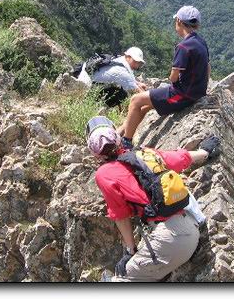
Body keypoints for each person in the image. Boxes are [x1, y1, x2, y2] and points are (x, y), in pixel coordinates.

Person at [86, 116, 220, 282]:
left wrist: (130, 251)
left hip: (170, 240)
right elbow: (180, 158)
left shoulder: (104, 174)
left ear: (96, 155)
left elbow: (120, 215)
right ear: (118, 140)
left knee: (120, 279)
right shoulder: (144, 154)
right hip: (190, 226)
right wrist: (205, 152)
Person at [117, 6, 210, 149]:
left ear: (179, 21)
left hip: (182, 96)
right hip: (196, 93)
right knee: (146, 105)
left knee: (136, 100)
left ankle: (126, 142)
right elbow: (208, 68)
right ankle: (120, 133)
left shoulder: (184, 47)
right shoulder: (201, 42)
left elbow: (173, 78)